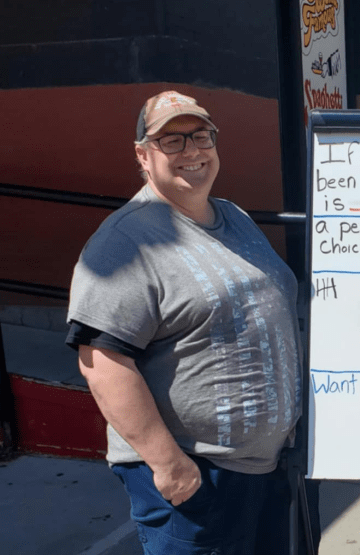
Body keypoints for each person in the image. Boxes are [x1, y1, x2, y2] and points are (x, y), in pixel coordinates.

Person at [66, 91, 312, 555]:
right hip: (198, 478)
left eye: (201, 136)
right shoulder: (125, 243)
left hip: (265, 469)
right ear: (143, 154)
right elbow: (102, 361)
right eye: (171, 141)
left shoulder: (233, 216)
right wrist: (169, 465)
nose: (192, 151)